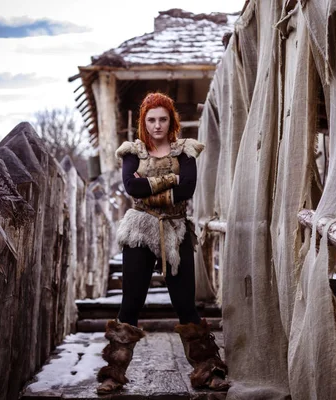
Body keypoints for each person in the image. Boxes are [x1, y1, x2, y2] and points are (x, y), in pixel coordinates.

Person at [96, 92, 229, 394]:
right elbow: (132, 187)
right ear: (144, 122)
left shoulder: (185, 151)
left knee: (185, 303)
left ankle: (209, 370)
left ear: (172, 121)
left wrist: (155, 186)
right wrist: (171, 180)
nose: (157, 125)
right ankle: (113, 374)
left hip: (175, 228)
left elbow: (188, 190)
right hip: (140, 228)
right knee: (131, 302)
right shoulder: (133, 151)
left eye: (163, 119)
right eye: (151, 119)